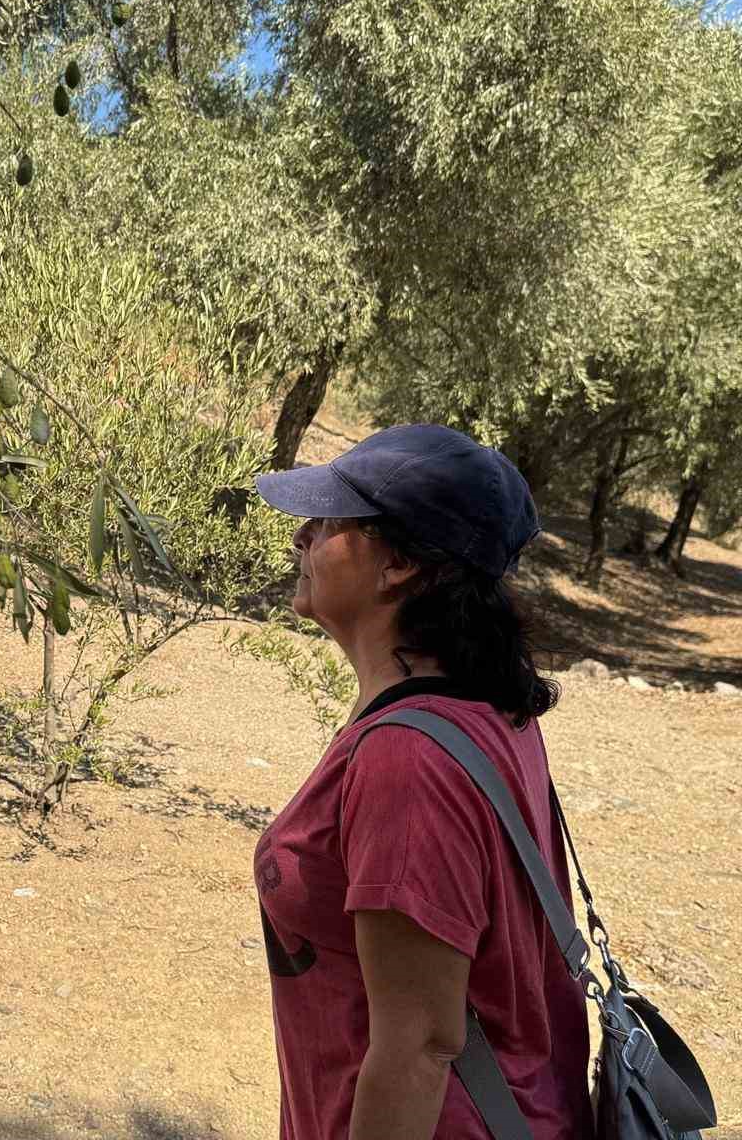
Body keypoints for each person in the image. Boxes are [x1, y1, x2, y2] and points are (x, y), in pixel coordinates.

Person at [249, 423, 593, 1140]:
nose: (301, 538)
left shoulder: (407, 758)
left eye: (328, 522)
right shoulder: (490, 711)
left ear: (399, 562)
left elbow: (419, 1047)